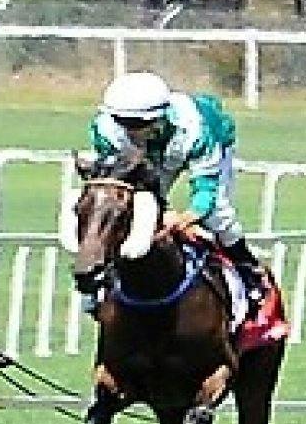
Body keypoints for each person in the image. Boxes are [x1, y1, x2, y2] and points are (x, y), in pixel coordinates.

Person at [85, 70, 268, 312]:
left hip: (209, 143)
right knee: (121, 210)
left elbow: (206, 191)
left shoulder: (195, 130)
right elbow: (126, 185)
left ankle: (249, 272)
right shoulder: (106, 131)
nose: (130, 131)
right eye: (123, 122)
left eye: (139, 124)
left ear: (160, 118)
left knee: (219, 214)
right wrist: (162, 211)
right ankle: (99, 281)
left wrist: (186, 219)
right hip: (154, 153)